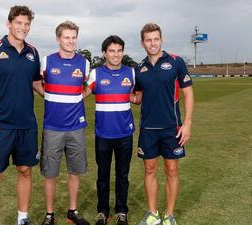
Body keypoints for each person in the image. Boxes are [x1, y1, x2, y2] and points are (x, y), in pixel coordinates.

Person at [0, 5, 44, 225]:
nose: (23, 28)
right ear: (9, 23)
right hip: (0, 124)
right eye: (19, 23)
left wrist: (62, 94)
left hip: (27, 125)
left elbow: (36, 83)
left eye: (27, 24)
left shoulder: (33, 52)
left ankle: (22, 219)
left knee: (25, 170)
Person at [132, 23, 194, 225]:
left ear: (162, 39)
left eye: (156, 39)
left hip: (172, 129)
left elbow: (188, 93)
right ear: (143, 43)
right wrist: (120, 94)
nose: (152, 43)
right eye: (148, 40)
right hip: (148, 129)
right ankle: (152, 214)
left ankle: (169, 215)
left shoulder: (176, 62)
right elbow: (139, 97)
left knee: (172, 171)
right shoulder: (139, 68)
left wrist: (187, 123)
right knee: (149, 170)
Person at [39, 20, 91, 225]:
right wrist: (50, 96)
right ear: (58, 39)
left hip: (76, 127)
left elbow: (88, 87)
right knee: (50, 173)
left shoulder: (84, 63)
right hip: (53, 127)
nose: (71, 41)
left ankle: (72, 210)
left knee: (75, 171)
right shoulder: (47, 61)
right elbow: (36, 83)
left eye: (73, 37)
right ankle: (49, 214)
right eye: (66, 37)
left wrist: (78, 97)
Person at [83, 35, 135, 225]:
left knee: (122, 175)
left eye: (119, 51)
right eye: (112, 51)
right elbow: (82, 94)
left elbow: (138, 96)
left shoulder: (131, 72)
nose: (116, 54)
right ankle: (102, 211)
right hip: (103, 134)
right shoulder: (96, 74)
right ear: (105, 53)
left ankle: (122, 211)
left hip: (125, 134)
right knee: (102, 176)